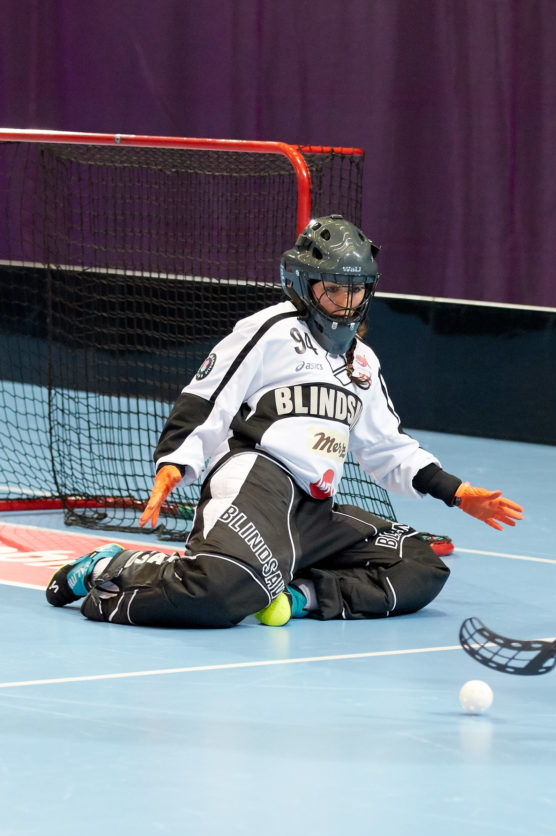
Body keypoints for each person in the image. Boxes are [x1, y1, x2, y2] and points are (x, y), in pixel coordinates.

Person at [45, 214, 522, 628]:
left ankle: (296, 597)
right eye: (333, 289)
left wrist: (456, 492)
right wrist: (176, 461)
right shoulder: (271, 329)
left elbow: (388, 449)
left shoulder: (364, 363)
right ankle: (114, 566)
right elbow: (209, 394)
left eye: (356, 291)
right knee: (214, 595)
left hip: (315, 510)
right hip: (259, 483)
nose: (346, 303)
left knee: (420, 565)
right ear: (302, 283)